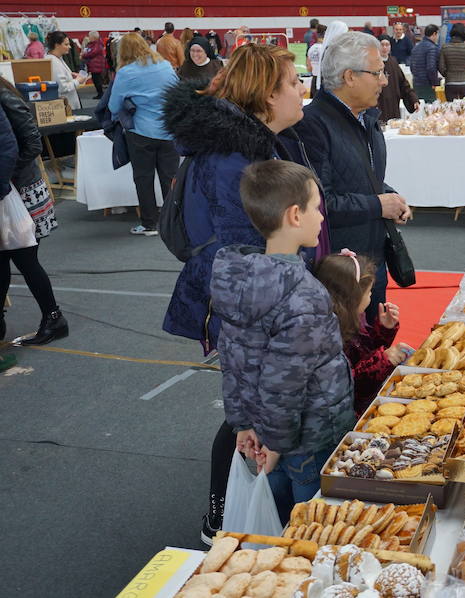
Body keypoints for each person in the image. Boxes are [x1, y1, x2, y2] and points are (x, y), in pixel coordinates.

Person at [162, 43, 329, 544]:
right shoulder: (234, 158)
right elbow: (246, 254)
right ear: (266, 94)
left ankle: (239, 509)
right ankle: (221, 515)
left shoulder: (257, 143)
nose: (303, 89)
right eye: (293, 82)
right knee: (247, 412)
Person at [211, 160, 354, 525]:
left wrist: (244, 423)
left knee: (273, 510)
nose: (321, 217)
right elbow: (285, 383)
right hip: (306, 436)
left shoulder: (236, 281)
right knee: (311, 521)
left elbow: (234, 361)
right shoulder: (304, 296)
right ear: (295, 215)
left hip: (263, 434)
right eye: (316, 207)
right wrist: (275, 443)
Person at [295, 32, 411, 325]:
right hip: (340, 271)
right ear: (350, 77)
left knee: (376, 350)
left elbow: (366, 178)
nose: (384, 81)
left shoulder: (367, 120)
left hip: (371, 261)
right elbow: (319, 204)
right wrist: (377, 205)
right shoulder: (313, 126)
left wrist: (391, 197)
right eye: (378, 72)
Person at [0, 78, 64, 346]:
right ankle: (52, 318)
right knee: (12, 260)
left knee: (25, 259)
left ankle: (53, 317)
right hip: (13, 188)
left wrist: (8, 177)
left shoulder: (5, 96)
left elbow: (30, 144)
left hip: (21, 190)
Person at [314, 250, 412, 416]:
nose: (371, 296)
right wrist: (384, 360)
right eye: (369, 292)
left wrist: (384, 329)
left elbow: (367, 351)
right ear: (352, 297)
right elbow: (351, 384)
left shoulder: (354, 319)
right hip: (352, 412)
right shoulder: (327, 337)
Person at [107, 33, 179, 236]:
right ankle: (174, 222)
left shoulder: (126, 73)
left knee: (143, 179)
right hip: (168, 131)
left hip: (141, 133)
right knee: (170, 179)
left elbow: (114, 105)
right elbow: (177, 94)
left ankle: (149, 224)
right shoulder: (165, 65)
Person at [377, 38, 418, 122]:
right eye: (382, 45)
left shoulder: (393, 62)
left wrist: (413, 99)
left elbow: (403, 84)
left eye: (387, 45)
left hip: (393, 104)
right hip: (378, 103)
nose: (385, 48)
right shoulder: (373, 63)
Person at [46, 32, 86, 110]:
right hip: (65, 108)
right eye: (66, 44)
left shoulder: (58, 59)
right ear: (57, 45)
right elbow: (62, 88)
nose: (70, 47)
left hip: (68, 105)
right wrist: (77, 81)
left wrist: (70, 75)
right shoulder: (53, 62)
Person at [439, 23, 465, 100]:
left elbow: (441, 67)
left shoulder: (445, 47)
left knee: (451, 109)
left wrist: (448, 74)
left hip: (450, 83)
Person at [410, 23, 440, 102]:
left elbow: (411, 67)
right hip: (428, 85)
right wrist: (435, 83)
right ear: (434, 34)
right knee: (429, 109)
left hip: (416, 83)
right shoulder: (432, 48)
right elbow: (431, 67)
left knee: (419, 108)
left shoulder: (416, 47)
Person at [81, 31, 107, 99]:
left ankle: (101, 94)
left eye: (89, 36)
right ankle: (100, 93)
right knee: (95, 80)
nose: (88, 37)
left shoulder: (97, 44)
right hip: (93, 65)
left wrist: (83, 55)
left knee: (97, 80)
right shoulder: (92, 44)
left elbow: (92, 53)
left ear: (94, 37)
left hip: (96, 66)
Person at [306, 24, 326, 97]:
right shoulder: (324, 49)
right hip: (323, 79)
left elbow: (309, 67)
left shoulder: (311, 48)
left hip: (314, 79)